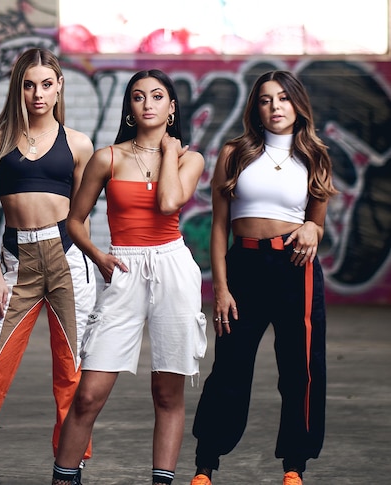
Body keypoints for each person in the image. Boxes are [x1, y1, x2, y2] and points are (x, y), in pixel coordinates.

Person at [0, 47, 96, 485]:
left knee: (71, 371)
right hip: (17, 262)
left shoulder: (79, 144)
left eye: (47, 84)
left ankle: (70, 468)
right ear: (18, 88)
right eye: (29, 84)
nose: (38, 93)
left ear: (60, 86)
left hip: (68, 262)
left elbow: (81, 218)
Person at [52, 69, 206, 485]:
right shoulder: (109, 157)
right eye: (138, 96)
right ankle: (64, 478)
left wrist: (169, 154)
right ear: (130, 107)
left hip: (173, 267)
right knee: (87, 395)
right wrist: (99, 256)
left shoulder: (190, 158)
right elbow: (75, 220)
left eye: (158, 96)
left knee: (167, 394)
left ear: (172, 108)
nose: (148, 103)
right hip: (123, 267)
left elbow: (170, 199)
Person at [190, 70, 335, 485]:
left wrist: (313, 228)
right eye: (266, 100)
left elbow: (317, 225)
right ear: (255, 108)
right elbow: (219, 226)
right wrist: (220, 288)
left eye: (283, 99)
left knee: (301, 369)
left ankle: (295, 465)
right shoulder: (235, 152)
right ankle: (206, 464)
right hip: (244, 268)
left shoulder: (315, 156)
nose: (275, 107)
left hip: (295, 269)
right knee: (230, 368)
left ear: (297, 105)